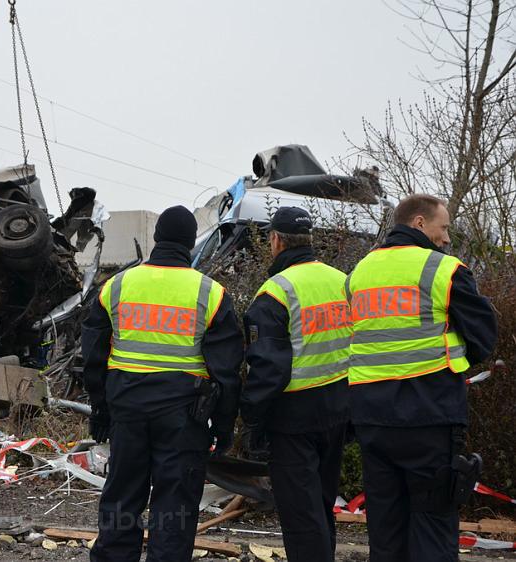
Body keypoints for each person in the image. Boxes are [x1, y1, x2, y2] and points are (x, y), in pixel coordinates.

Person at [81, 205, 244, 562]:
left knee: (122, 496)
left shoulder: (117, 286)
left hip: (128, 409)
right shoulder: (210, 294)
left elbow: (92, 354)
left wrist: (100, 408)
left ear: (157, 239)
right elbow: (227, 371)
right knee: (175, 504)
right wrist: (225, 425)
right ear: (189, 243)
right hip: (184, 418)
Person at [346, 194, 497, 562]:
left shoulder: (358, 274)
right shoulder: (443, 270)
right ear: (419, 224)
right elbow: (484, 338)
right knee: (432, 522)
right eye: (443, 228)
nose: (446, 238)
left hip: (371, 418)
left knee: (385, 525)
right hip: (429, 415)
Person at [239, 206, 352, 562]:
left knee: (301, 516)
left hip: (294, 417)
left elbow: (269, 369)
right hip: (340, 405)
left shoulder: (276, 292)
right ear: (310, 239)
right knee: (321, 504)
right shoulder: (342, 280)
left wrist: (252, 421)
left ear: (275, 240)